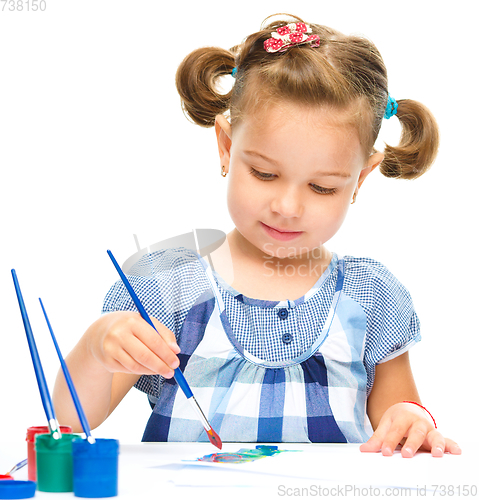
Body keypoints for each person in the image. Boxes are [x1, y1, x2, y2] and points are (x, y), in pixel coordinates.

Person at [53, 15, 461, 458]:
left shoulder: (370, 296)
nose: (287, 207)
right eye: (264, 173)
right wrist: (97, 346)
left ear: (359, 180)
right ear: (227, 147)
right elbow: (70, 420)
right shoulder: (165, 289)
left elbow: (401, 420)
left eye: (322, 187)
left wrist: (413, 420)